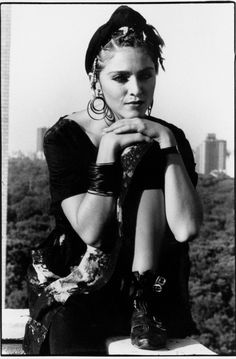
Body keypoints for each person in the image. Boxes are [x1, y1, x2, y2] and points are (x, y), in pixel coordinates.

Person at [23, 5, 203, 355]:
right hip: (77, 280)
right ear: (96, 80)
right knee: (68, 333)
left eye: (146, 75)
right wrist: (107, 150)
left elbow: (185, 229)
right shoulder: (65, 138)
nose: (136, 89)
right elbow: (89, 230)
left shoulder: (171, 137)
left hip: (149, 294)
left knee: (146, 153)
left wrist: (167, 146)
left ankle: (144, 301)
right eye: (120, 78)